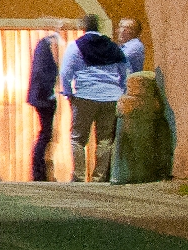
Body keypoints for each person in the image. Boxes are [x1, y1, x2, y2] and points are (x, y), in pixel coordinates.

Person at [60, 14, 132, 182]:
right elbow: (125, 71)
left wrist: (68, 92)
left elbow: (65, 72)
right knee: (105, 139)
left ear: (84, 27)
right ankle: (99, 178)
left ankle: (78, 177)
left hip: (85, 96)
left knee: (77, 138)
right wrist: (119, 91)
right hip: (110, 98)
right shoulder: (113, 47)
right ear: (99, 27)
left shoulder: (76, 46)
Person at [26, 31, 61, 182]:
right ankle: (38, 171)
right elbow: (43, 74)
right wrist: (49, 93)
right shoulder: (45, 49)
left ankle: (40, 169)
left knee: (46, 133)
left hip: (41, 97)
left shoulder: (43, 49)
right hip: (44, 98)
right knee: (46, 133)